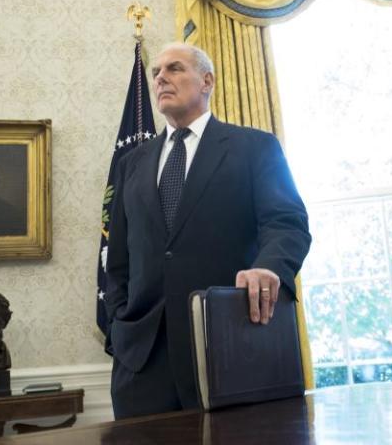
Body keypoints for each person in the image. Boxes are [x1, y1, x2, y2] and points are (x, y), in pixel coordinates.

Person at [104, 43, 311, 419]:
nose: (161, 77)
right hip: (143, 360)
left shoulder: (255, 147)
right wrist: (120, 320)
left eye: (175, 68)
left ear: (207, 81)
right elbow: (117, 257)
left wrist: (270, 267)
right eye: (156, 72)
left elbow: (287, 224)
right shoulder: (131, 163)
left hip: (234, 343)